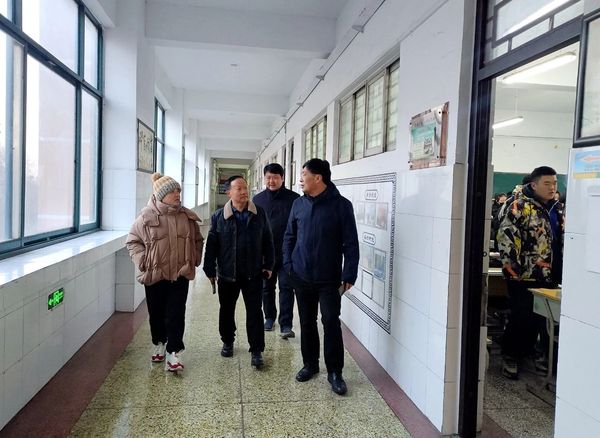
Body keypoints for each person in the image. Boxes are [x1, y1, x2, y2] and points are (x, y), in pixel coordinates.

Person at [283, 159, 359, 395]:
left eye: (304, 174)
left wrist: (349, 273)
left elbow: (351, 243)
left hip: (329, 278)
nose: (300, 179)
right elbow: (289, 237)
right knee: (306, 322)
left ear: (318, 178)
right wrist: (288, 265)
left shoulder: (341, 206)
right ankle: (310, 364)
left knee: (331, 322)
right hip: (301, 275)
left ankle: (335, 372)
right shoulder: (298, 204)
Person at [126, 173, 204, 372]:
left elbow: (198, 239)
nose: (177, 194)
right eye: (172, 191)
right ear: (160, 195)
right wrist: (142, 261)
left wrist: (195, 258)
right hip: (155, 275)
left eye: (178, 191)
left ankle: (174, 352)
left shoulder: (186, 217)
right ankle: (159, 343)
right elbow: (133, 241)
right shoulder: (146, 217)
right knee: (157, 314)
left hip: (180, 274)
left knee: (176, 314)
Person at [496, 166, 564, 379]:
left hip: (550, 274)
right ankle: (511, 356)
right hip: (524, 274)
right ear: (534, 185)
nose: (552, 188)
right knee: (522, 317)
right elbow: (506, 238)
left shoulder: (557, 209)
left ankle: (534, 354)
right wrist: (513, 271)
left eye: (554, 183)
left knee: (543, 320)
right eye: (547, 183)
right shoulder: (519, 206)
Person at [203, 175, 274, 368]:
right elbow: (212, 245)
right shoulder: (219, 216)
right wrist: (209, 269)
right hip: (227, 274)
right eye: (239, 188)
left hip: (253, 273)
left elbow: (268, 240)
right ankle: (227, 341)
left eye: (245, 188)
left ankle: (256, 350)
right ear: (229, 192)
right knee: (226, 310)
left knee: (255, 312)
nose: (244, 192)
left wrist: (268, 265)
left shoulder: (259, 213)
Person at [252, 163, 300, 337]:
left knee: (286, 287)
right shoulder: (257, 200)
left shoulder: (295, 199)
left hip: (287, 253)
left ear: (283, 178)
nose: (271, 181)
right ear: (264, 178)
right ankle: (269, 317)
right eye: (268, 177)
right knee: (267, 287)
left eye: (275, 177)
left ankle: (286, 324)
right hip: (265, 254)